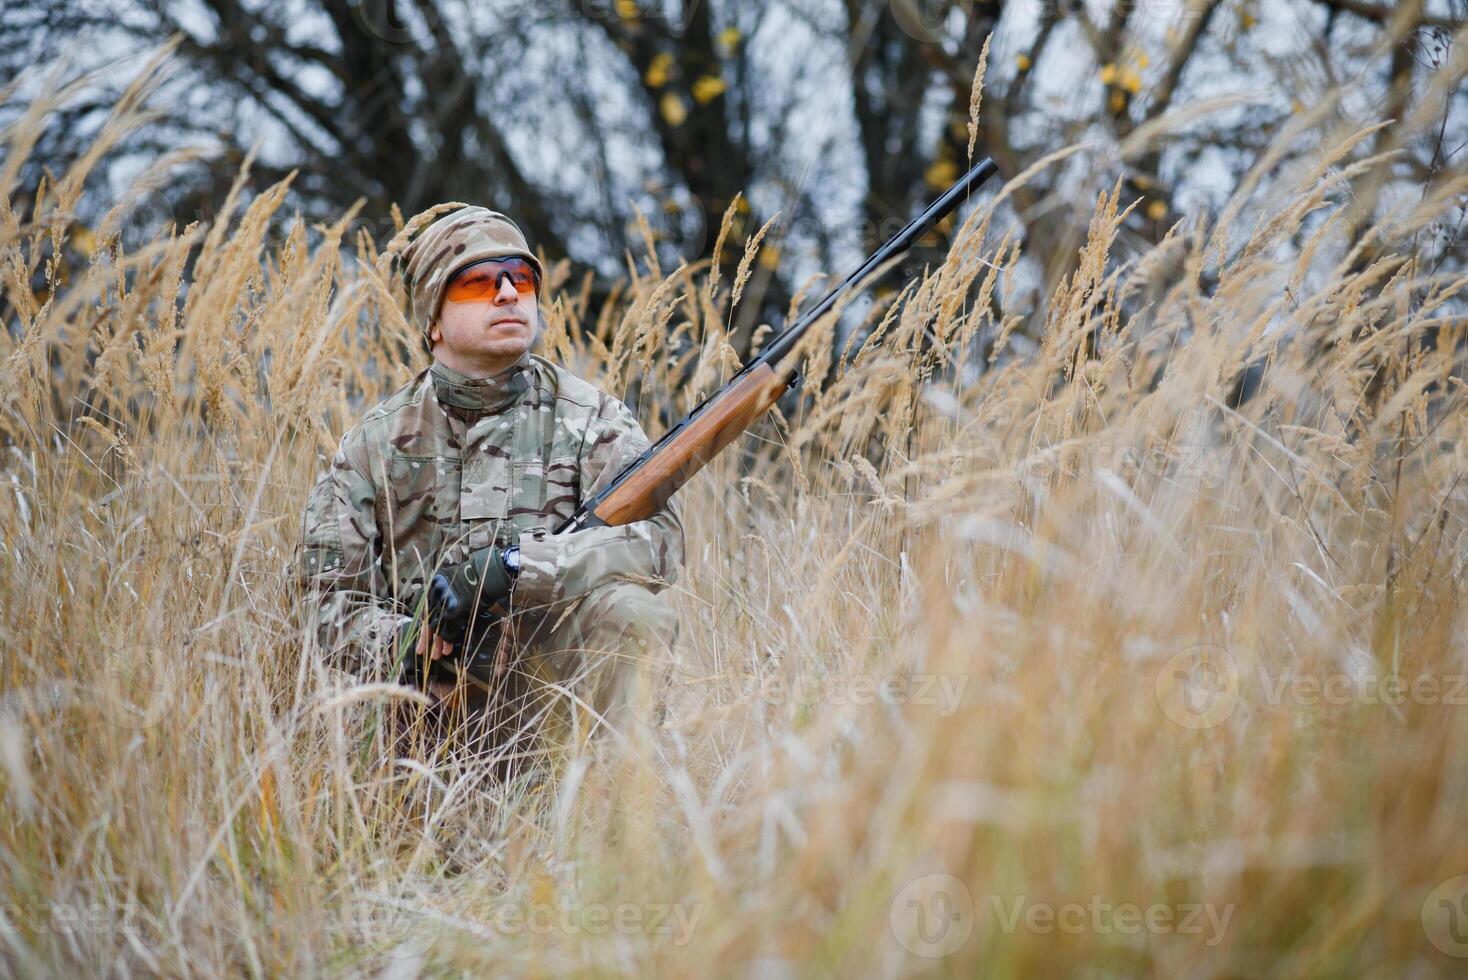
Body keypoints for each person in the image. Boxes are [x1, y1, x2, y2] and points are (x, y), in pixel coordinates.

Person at [299, 206, 683, 767]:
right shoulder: (374, 446)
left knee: (634, 614)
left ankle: (616, 814)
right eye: (479, 282)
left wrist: (522, 566)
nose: (507, 294)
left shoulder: (591, 417)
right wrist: (407, 640)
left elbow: (660, 541)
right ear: (433, 318)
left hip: (559, 687)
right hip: (431, 710)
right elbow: (324, 601)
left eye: (520, 278)